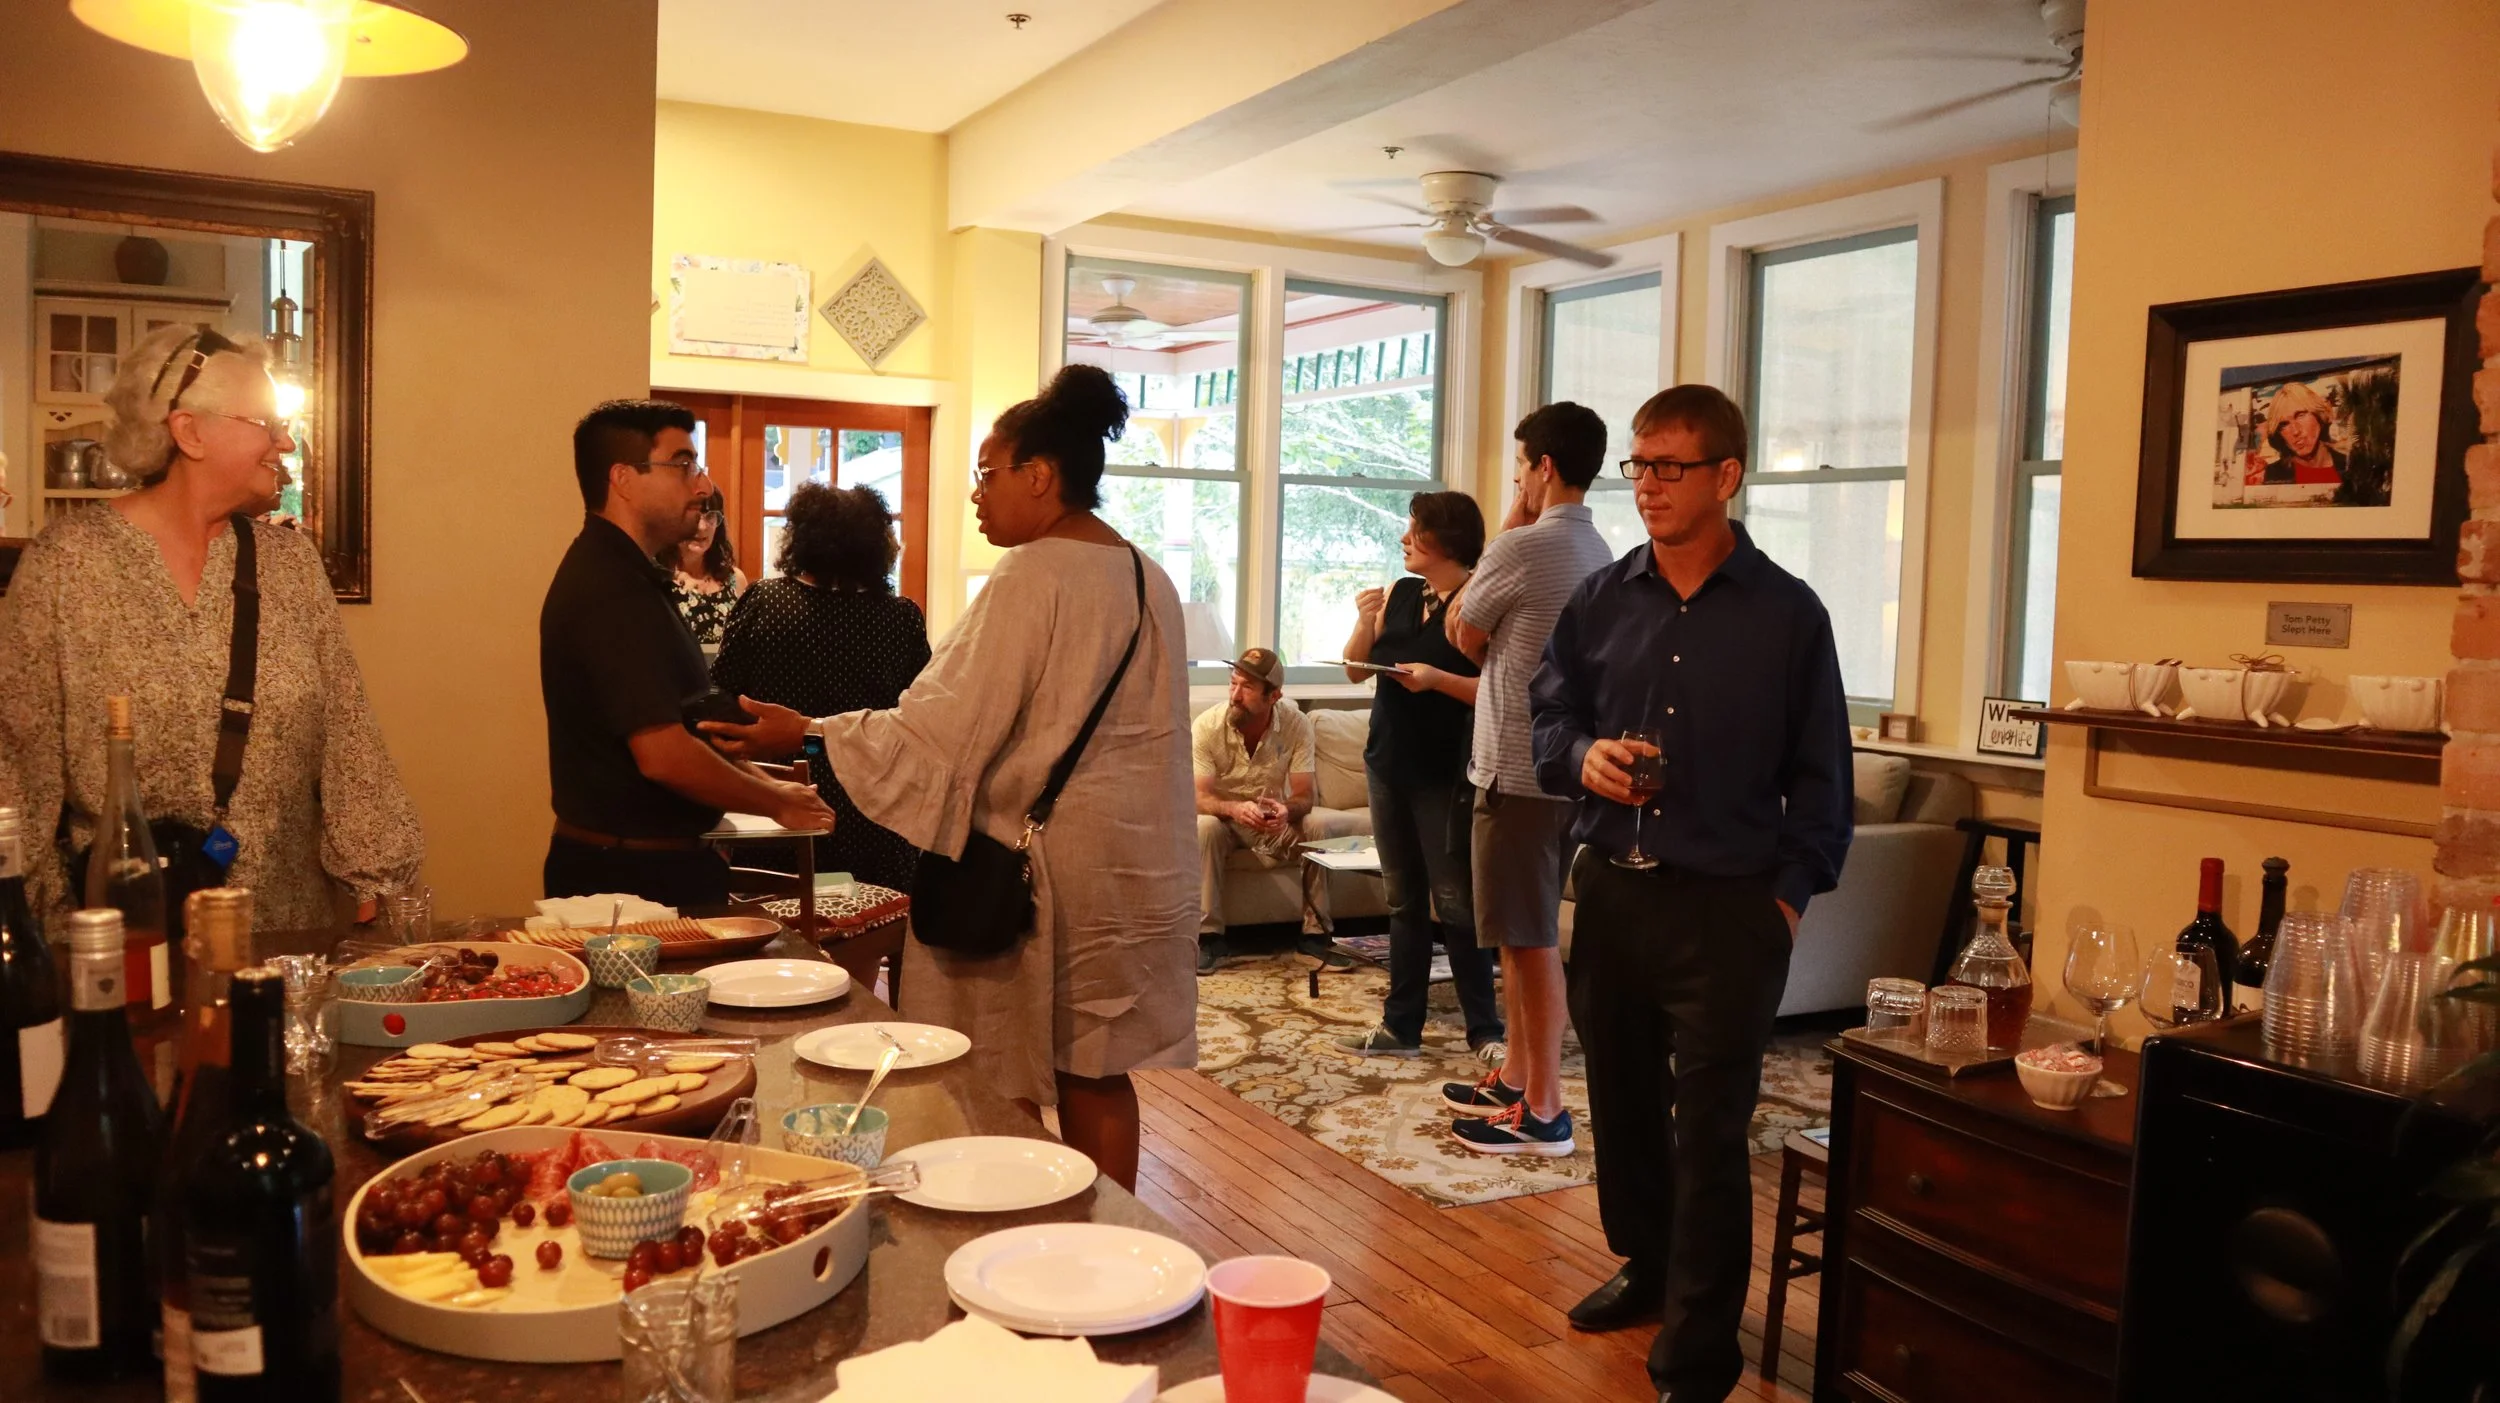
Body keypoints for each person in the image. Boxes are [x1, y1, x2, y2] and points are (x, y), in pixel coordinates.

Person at [699, 365, 1196, 1191]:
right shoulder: (1150, 575)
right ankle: (1113, 1228)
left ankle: (1029, 1217)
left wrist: (812, 729)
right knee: (1099, 1066)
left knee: (1007, 1057)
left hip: (1044, 871)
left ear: (1040, 475)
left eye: (987, 473)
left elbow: (943, 727)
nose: (976, 494)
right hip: (1137, 866)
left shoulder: (1033, 573)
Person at [1530, 384, 1852, 1401]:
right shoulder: (1599, 599)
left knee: (1710, 1132)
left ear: (1726, 475)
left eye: (1670, 466)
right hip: (1614, 894)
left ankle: (1700, 1353)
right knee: (1622, 1109)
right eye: (1638, 464)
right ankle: (1647, 1261)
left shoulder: (1789, 614)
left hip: (1728, 910)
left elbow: (1824, 782)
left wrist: (1784, 905)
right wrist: (1583, 757)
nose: (1648, 485)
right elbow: (1546, 725)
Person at [0, 323, 422, 929]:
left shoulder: (289, 565)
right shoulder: (67, 564)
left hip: (282, 931)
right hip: (123, 942)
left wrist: (377, 877)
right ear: (189, 431)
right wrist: (30, 927)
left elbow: (347, 732)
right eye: (267, 426)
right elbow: (19, 765)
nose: (286, 445)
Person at [538, 399, 835, 909]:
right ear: (623, 478)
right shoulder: (610, 587)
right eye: (684, 465)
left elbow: (690, 727)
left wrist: (765, 781)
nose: (702, 485)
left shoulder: (635, 575)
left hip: (658, 865)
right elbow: (664, 756)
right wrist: (776, 801)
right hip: (628, 879)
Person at [1438, 401, 1614, 1157]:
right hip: (1567, 769)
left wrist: (1509, 522)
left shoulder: (1525, 547)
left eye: (1521, 468)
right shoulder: (1603, 550)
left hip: (1516, 767)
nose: (1517, 482)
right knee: (1521, 933)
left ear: (1545, 467)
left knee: (1529, 940)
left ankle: (1545, 1110)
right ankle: (1515, 1075)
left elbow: (1461, 633)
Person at [1334, 491, 1504, 1059]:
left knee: (1456, 903)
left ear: (1445, 541)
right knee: (1402, 900)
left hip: (1445, 770)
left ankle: (1485, 1031)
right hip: (1387, 763)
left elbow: (1498, 690)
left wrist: (1435, 679)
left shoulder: (1479, 603)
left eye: (1415, 530)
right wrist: (1363, 624)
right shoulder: (1404, 592)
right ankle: (1401, 1024)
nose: (1405, 539)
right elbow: (1358, 671)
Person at [710, 481, 930, 891]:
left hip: (782, 790)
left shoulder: (766, 601)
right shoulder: (900, 617)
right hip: (871, 793)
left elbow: (725, 696)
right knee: (871, 918)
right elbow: (915, 716)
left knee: (779, 911)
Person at [1191, 647, 1323, 975]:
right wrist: (1234, 808)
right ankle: (1208, 939)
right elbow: (1197, 797)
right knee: (1204, 827)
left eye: (1247, 688)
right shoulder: (1208, 726)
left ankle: (1316, 935)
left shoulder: (1297, 724)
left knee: (1319, 828)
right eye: (1233, 684)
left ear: (1274, 696)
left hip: (1271, 822)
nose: (1235, 695)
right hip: (1224, 821)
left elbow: (1306, 795)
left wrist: (1286, 810)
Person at [669, 490, 748, 649]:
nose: (702, 526)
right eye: (695, 516)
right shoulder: (658, 579)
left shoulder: (734, 579)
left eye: (710, 516)